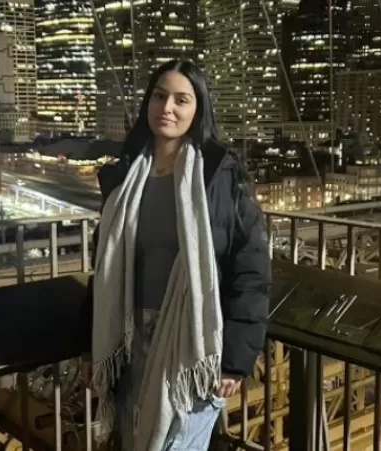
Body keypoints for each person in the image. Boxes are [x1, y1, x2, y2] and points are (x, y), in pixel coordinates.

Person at [84, 59, 271, 451]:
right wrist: (91, 347)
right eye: (159, 95)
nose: (167, 107)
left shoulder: (219, 176)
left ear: (197, 110)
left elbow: (250, 269)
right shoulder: (125, 178)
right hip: (129, 339)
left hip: (193, 345)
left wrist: (235, 360)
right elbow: (104, 267)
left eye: (181, 100)